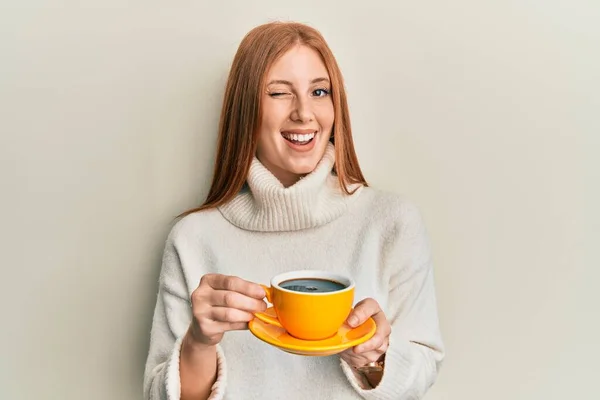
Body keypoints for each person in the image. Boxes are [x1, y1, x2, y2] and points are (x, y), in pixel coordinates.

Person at [143, 21, 444, 400]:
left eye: (319, 91)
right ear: (246, 108)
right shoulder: (192, 239)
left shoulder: (392, 222)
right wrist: (199, 343)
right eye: (279, 93)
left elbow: (424, 370)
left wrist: (373, 359)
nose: (304, 113)